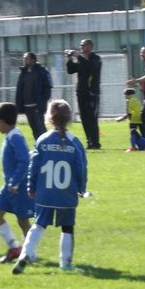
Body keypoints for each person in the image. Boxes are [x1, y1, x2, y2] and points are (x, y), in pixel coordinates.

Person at [12, 99, 88, 274]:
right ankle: (65, 263)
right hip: (66, 193)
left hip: (45, 192)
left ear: (49, 118)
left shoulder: (42, 140)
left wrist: (31, 187)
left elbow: (34, 166)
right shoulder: (75, 143)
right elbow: (81, 168)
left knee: (38, 225)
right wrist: (81, 188)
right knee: (67, 227)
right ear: (69, 118)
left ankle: (25, 255)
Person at [0, 102, 33, 263]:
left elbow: (24, 161)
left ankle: (30, 252)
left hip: (18, 187)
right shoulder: (10, 136)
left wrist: (15, 182)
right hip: (8, 186)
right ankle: (15, 248)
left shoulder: (15, 137)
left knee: (23, 221)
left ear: (2, 121)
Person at [65, 39, 102, 149]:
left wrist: (78, 56)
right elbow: (71, 70)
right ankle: (89, 141)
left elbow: (90, 66)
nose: (81, 47)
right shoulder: (81, 59)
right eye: (80, 45)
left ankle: (95, 142)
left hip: (92, 93)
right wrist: (70, 59)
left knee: (92, 118)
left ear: (90, 46)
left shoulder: (96, 59)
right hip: (81, 93)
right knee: (84, 118)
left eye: (83, 45)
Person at [15, 52, 52, 140]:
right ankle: (38, 146)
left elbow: (47, 88)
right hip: (27, 106)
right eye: (24, 58)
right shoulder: (23, 73)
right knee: (34, 129)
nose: (24, 60)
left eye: (26, 58)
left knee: (41, 129)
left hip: (37, 106)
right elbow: (20, 89)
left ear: (33, 60)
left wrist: (42, 102)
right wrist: (19, 105)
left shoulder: (41, 71)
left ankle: (46, 145)